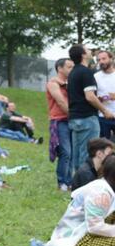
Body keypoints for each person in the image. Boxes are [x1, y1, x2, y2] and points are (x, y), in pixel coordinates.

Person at [41, 155, 115, 246]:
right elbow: (94, 227)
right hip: (74, 243)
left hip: (85, 237)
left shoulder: (108, 190)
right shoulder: (101, 192)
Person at [68, 44, 115, 178]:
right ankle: (85, 184)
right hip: (87, 119)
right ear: (83, 55)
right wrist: (104, 110)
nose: (90, 51)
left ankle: (76, 183)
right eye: (88, 50)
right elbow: (90, 96)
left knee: (77, 154)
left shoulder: (73, 72)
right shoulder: (86, 72)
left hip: (75, 118)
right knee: (88, 154)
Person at [48, 57, 74, 191]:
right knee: (66, 153)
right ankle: (62, 182)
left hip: (71, 121)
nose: (72, 69)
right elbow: (60, 101)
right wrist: (74, 115)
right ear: (60, 68)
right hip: (60, 121)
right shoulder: (53, 83)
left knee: (72, 154)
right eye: (69, 67)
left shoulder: (70, 83)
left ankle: (69, 182)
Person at [94, 49, 115, 139]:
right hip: (102, 116)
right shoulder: (95, 76)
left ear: (111, 58)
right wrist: (99, 99)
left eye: (104, 59)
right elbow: (91, 96)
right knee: (103, 146)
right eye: (99, 60)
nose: (101, 62)